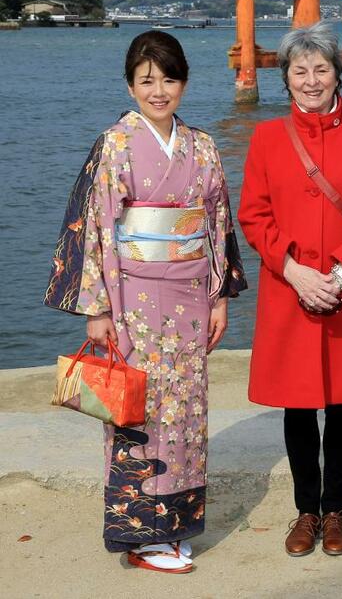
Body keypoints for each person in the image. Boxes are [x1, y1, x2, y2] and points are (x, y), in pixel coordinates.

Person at [45, 30, 246, 574]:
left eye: (169, 79)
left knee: (186, 411)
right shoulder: (116, 143)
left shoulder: (201, 146)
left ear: (184, 81)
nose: (159, 91)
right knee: (138, 409)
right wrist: (97, 308)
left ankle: (175, 525)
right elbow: (95, 228)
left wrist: (220, 297)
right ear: (130, 85)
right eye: (146, 80)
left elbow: (217, 227)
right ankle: (140, 532)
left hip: (190, 296)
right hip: (131, 296)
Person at [238, 23, 342, 557]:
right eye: (299, 71)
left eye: (321, 69)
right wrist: (295, 271)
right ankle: (305, 510)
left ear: (338, 74)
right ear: (285, 79)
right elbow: (254, 216)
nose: (311, 80)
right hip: (290, 289)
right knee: (298, 404)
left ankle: (336, 510)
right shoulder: (265, 138)